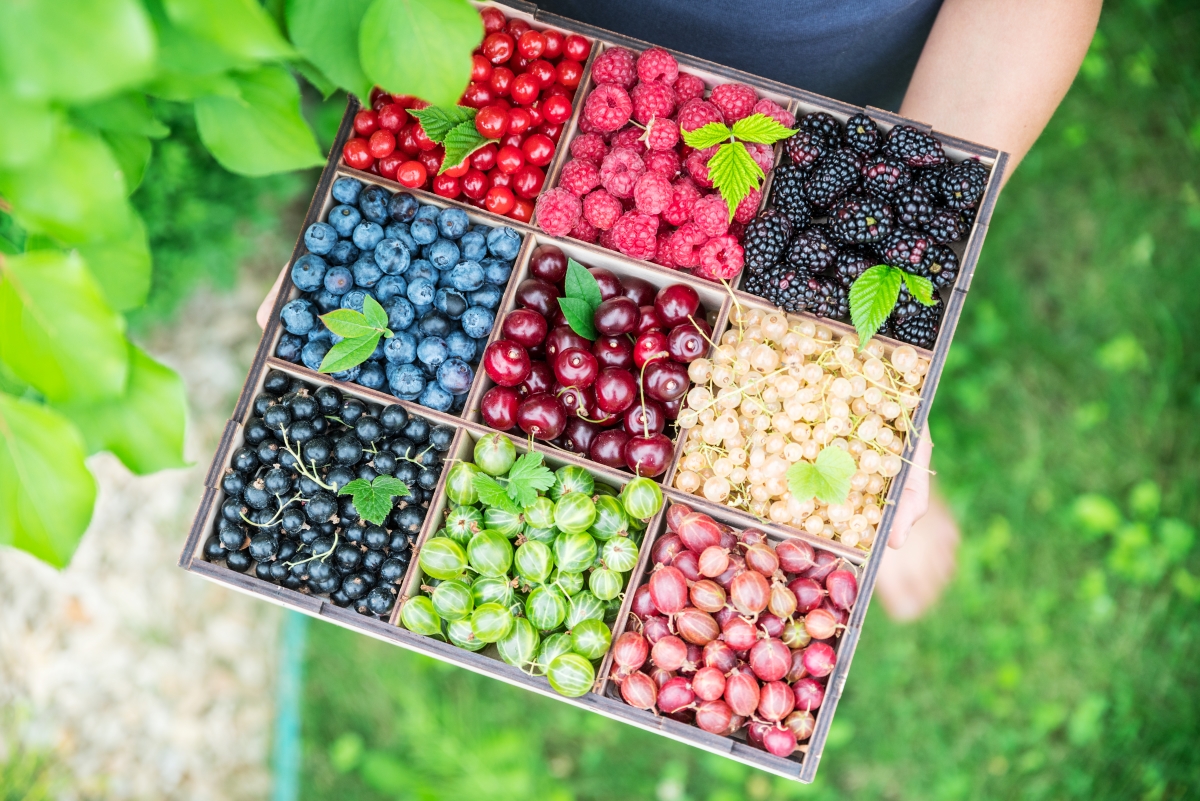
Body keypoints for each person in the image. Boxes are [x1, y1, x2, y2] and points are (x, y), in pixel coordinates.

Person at [257, 0, 1101, 618]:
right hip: (515, 49)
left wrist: (903, 207)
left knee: (853, 412)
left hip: (843, 79)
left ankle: (842, 482)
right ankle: (840, 482)